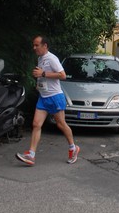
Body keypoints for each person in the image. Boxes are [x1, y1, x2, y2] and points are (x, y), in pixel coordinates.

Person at [16, 36, 80, 166]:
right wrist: (39, 83)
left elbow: (63, 75)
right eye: (33, 45)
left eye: (37, 45)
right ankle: (31, 155)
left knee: (61, 124)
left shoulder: (52, 58)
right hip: (43, 97)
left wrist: (43, 74)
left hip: (55, 97)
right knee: (36, 124)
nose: (34, 48)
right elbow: (43, 75)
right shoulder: (40, 58)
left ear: (45, 46)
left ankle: (73, 148)